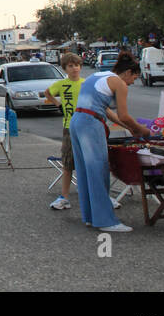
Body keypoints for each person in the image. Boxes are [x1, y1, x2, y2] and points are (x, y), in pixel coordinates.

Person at [68, 51, 150, 233]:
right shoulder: (119, 84)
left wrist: (127, 127)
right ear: (128, 72)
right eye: (134, 78)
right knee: (98, 170)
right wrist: (140, 129)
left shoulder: (99, 75)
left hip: (78, 121)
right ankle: (105, 220)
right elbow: (124, 115)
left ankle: (90, 216)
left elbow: (106, 111)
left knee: (84, 171)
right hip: (90, 124)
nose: (132, 82)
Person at [43, 52, 85, 210]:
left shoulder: (86, 83)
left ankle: (94, 194)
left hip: (85, 126)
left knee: (89, 162)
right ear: (65, 68)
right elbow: (47, 93)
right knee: (68, 163)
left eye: (77, 65)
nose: (75, 69)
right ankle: (64, 196)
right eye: (71, 66)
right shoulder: (61, 84)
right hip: (69, 126)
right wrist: (57, 104)